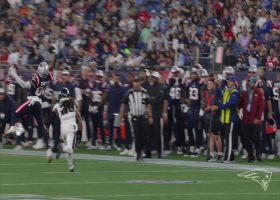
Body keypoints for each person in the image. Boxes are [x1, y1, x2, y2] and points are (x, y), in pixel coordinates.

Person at [6, 45, 57, 149]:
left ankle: (11, 137)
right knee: (41, 125)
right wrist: (55, 55)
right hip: (39, 104)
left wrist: (14, 75)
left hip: (31, 101)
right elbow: (52, 67)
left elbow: (24, 85)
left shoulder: (37, 79)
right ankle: (46, 143)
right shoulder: (47, 78)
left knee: (15, 114)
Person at [119, 77, 153, 161]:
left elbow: (148, 105)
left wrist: (150, 116)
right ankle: (138, 153)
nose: (136, 87)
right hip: (134, 117)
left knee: (145, 135)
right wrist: (121, 116)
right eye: (134, 85)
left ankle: (140, 150)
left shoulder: (144, 93)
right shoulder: (129, 93)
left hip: (143, 117)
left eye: (137, 85)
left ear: (140, 85)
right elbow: (123, 104)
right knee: (137, 135)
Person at [51, 87, 83, 172]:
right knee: (69, 148)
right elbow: (79, 119)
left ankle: (71, 166)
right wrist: (80, 132)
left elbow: (54, 118)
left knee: (68, 148)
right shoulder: (73, 103)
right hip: (71, 127)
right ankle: (61, 148)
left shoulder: (56, 106)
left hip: (61, 129)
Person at [212, 75, 240, 163]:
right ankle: (231, 157)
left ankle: (227, 158)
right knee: (226, 138)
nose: (228, 82)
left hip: (230, 119)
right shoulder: (227, 91)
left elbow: (230, 104)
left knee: (229, 139)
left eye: (230, 81)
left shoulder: (235, 92)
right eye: (228, 81)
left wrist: (218, 107)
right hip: (225, 118)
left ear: (233, 82)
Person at [239, 76, 265, 162]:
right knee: (246, 140)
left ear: (255, 83)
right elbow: (241, 103)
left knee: (256, 138)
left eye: (252, 82)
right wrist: (238, 107)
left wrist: (258, 118)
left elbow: (261, 107)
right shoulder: (245, 92)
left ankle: (258, 153)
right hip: (246, 119)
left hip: (255, 120)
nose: (250, 84)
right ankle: (250, 155)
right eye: (249, 82)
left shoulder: (259, 92)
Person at [146, 71, 168, 158]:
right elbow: (148, 101)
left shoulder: (162, 88)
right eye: (152, 77)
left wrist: (164, 113)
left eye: (155, 77)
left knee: (158, 134)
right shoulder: (149, 88)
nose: (153, 79)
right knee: (149, 134)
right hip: (151, 113)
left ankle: (160, 152)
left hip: (159, 114)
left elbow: (164, 100)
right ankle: (148, 152)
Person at [203, 78, 223, 161]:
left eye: (210, 84)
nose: (209, 85)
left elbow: (218, 105)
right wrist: (205, 108)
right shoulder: (207, 93)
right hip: (208, 116)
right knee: (209, 135)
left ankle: (219, 153)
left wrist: (211, 108)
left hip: (215, 117)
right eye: (208, 84)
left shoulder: (218, 93)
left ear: (214, 85)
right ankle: (211, 153)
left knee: (216, 136)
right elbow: (204, 104)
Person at [88, 70, 108, 150]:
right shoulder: (91, 84)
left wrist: (98, 107)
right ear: (95, 76)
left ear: (102, 77)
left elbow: (104, 98)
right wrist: (90, 105)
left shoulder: (104, 85)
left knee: (101, 126)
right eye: (97, 76)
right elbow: (89, 96)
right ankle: (93, 143)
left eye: (100, 76)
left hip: (100, 108)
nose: (98, 78)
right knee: (94, 126)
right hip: (93, 107)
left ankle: (103, 143)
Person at [106, 73, 125, 150]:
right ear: (113, 79)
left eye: (117, 79)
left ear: (119, 80)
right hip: (111, 111)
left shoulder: (121, 89)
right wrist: (107, 111)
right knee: (110, 128)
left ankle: (118, 144)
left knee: (118, 129)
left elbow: (122, 102)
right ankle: (110, 144)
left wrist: (121, 112)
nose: (116, 80)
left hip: (117, 112)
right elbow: (108, 100)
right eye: (115, 78)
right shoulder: (110, 88)